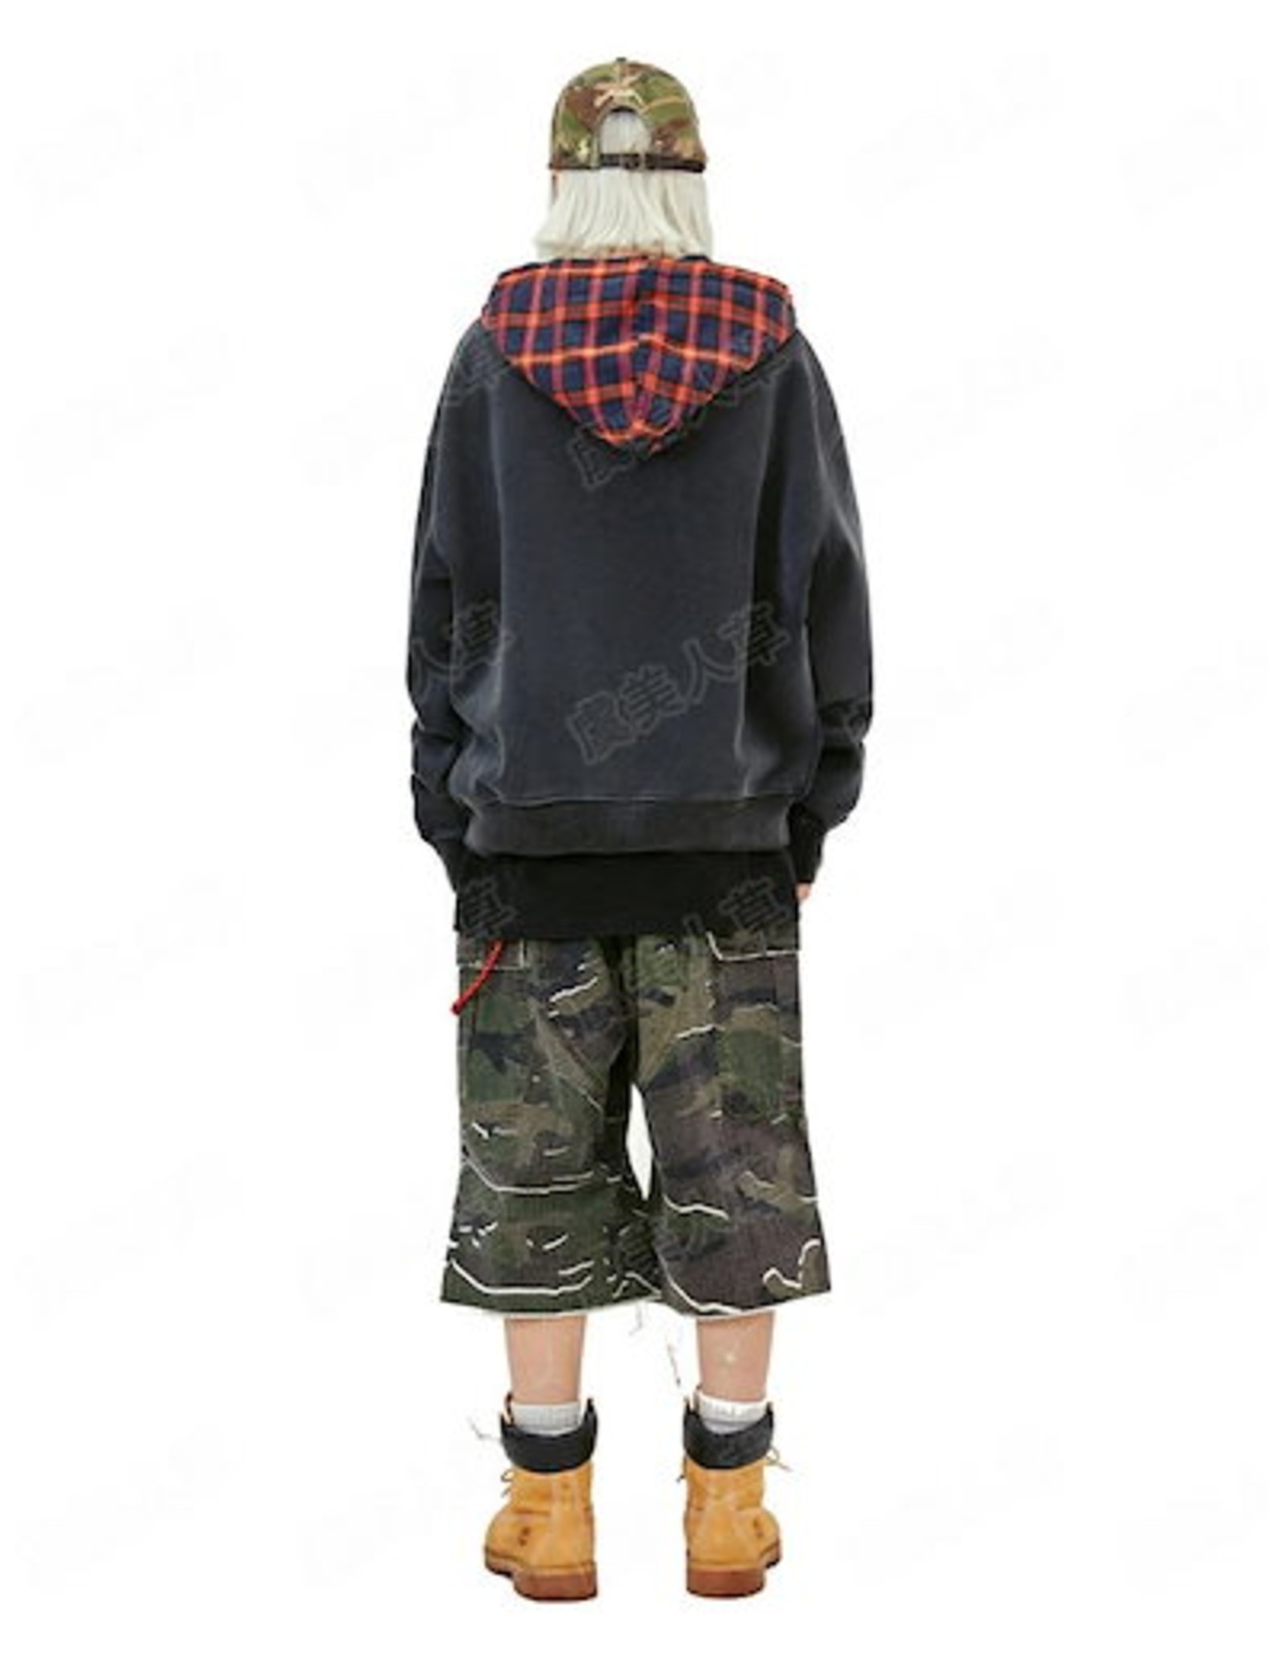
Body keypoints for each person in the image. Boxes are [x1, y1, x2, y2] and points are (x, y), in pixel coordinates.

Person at [405, 56, 873, 1600]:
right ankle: (725, 1511)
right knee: (738, 1187)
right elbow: (826, 588)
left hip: (528, 852)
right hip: (726, 850)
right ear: (690, 179)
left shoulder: (492, 357)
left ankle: (550, 1513)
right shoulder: (773, 356)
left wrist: (453, 810)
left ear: (563, 180)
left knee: (533, 1194)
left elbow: (445, 594)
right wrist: (808, 806)